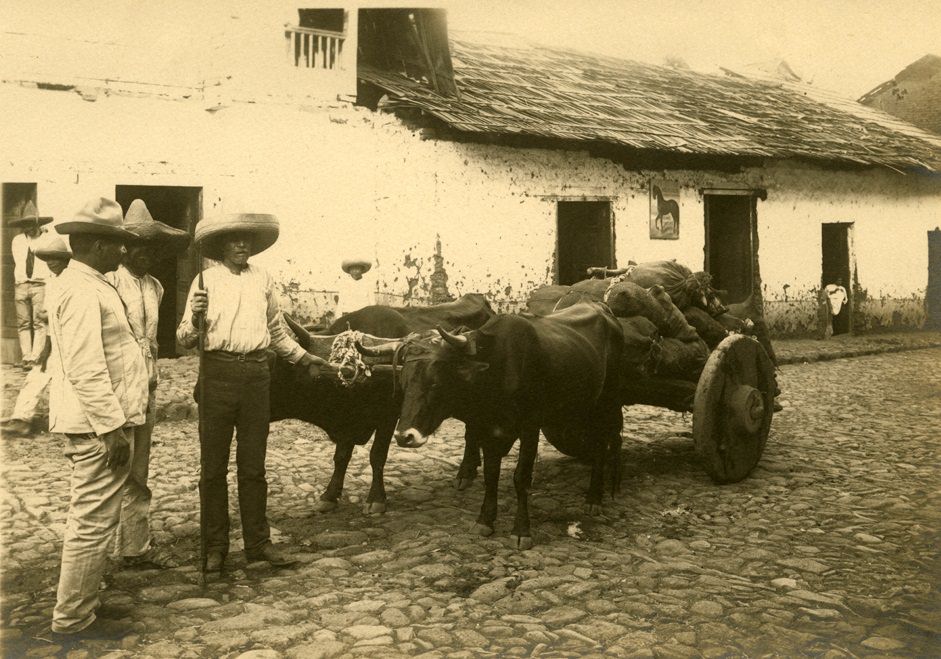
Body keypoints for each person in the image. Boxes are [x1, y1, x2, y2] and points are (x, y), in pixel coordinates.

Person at [177, 212, 325, 573]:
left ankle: (258, 544)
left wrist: (306, 359)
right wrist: (195, 319)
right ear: (221, 245)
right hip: (217, 375)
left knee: (253, 465)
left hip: (258, 376)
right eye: (234, 239)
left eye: (247, 239)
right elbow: (183, 340)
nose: (242, 245)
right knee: (212, 469)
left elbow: (276, 331)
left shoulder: (263, 279)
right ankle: (215, 547)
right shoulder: (204, 281)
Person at [48, 197, 148, 640]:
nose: (122, 252)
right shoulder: (82, 290)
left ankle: (81, 609)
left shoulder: (90, 284)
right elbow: (86, 366)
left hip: (101, 421)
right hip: (96, 426)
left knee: (97, 520)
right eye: (115, 244)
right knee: (90, 524)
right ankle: (72, 620)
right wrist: (111, 427)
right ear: (92, 244)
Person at [104, 199, 189, 570]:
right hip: (117, 386)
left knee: (139, 471)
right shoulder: (108, 284)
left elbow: (151, 340)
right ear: (123, 248)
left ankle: (135, 548)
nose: (145, 254)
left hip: (147, 386)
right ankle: (101, 553)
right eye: (138, 246)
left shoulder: (155, 287)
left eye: (152, 248)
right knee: (109, 471)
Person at [1, 234, 71, 437]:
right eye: (48, 259)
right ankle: (22, 418)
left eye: (56, 258)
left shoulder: (70, 282)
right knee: (37, 375)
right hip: (56, 339)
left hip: (71, 340)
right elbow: (48, 320)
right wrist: (46, 348)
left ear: (66, 260)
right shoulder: (51, 282)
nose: (51, 263)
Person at [10, 201, 53, 369]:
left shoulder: (47, 239)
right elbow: (20, 260)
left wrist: (44, 234)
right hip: (21, 285)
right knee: (23, 323)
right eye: (25, 225)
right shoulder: (17, 241)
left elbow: (44, 252)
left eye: (32, 224)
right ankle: (26, 357)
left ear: (38, 223)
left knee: (39, 322)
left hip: (39, 285)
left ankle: (36, 357)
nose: (29, 228)